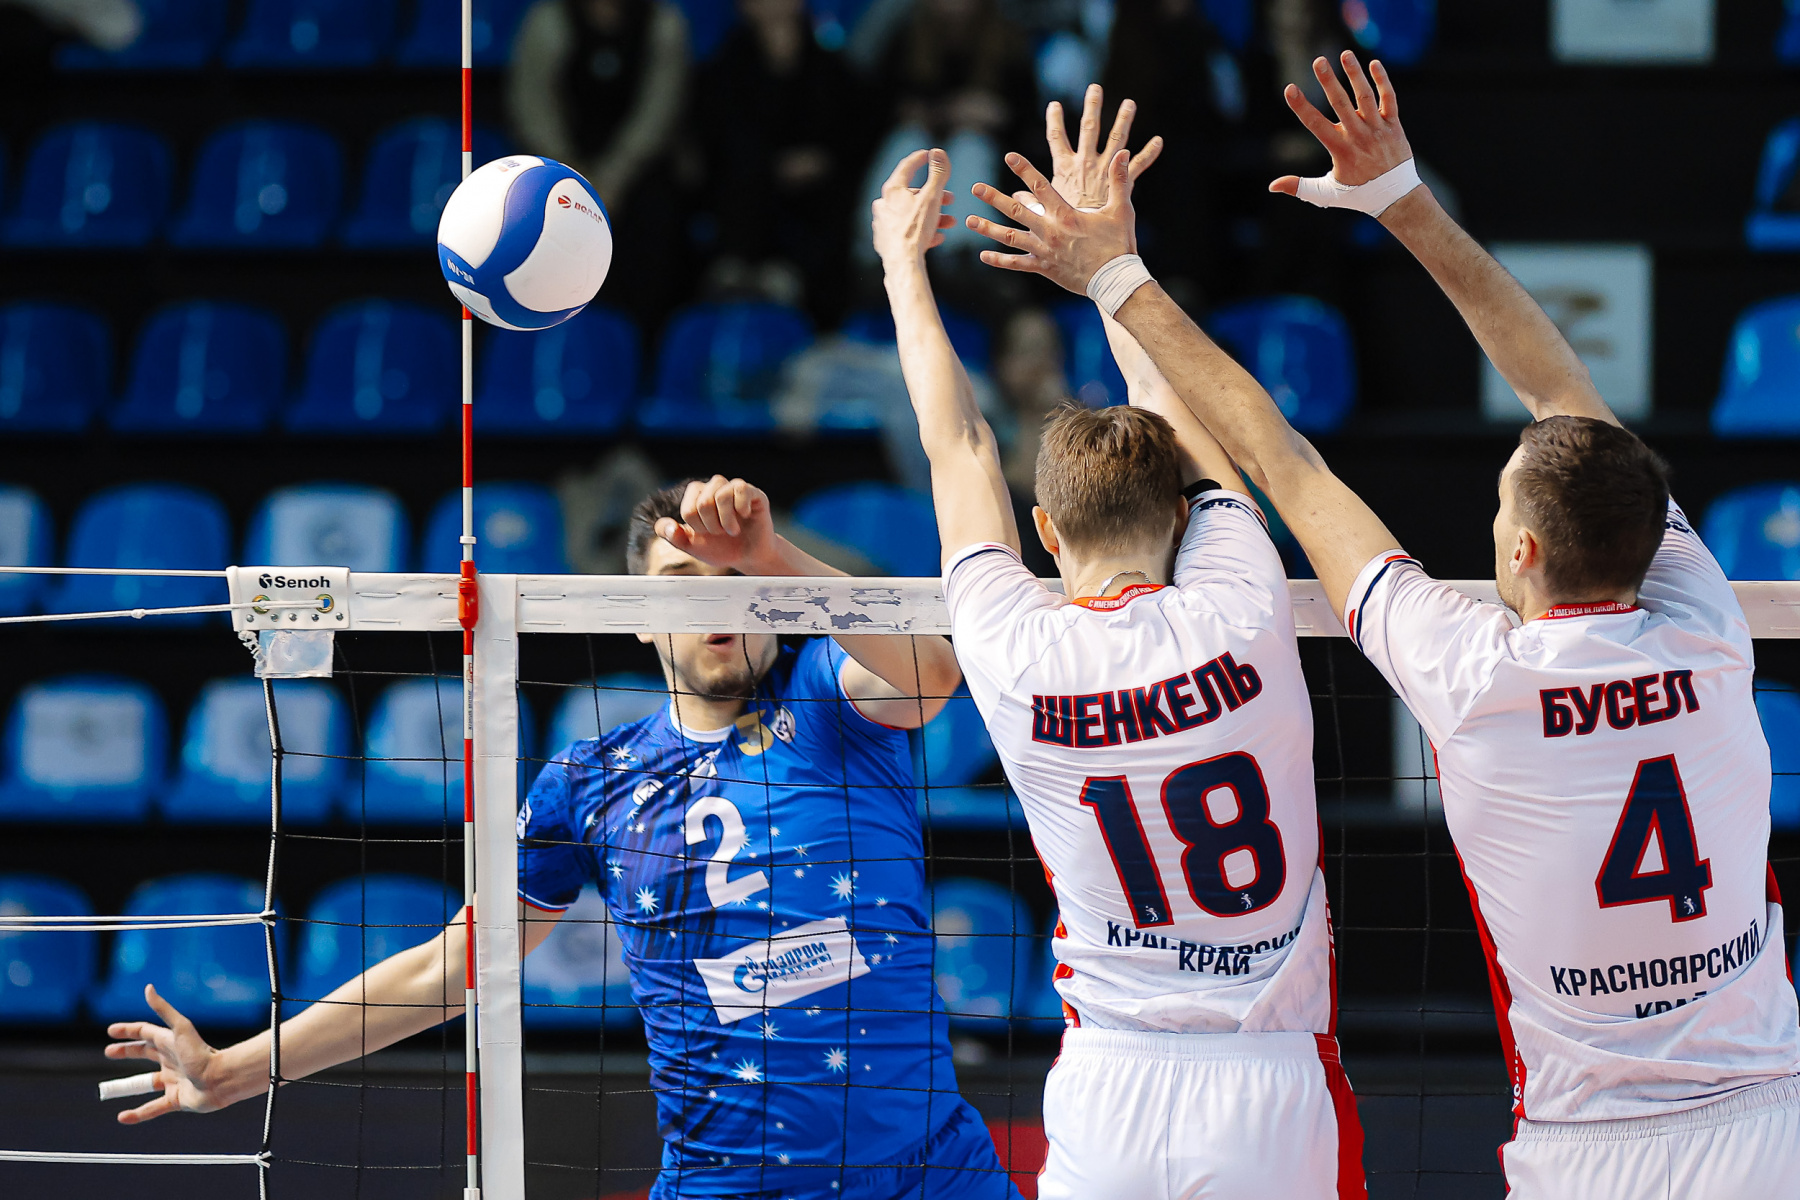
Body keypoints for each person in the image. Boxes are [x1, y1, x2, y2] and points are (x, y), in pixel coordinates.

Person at [965, 50, 1800, 1200]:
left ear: (1521, 553)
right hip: (1769, 1125)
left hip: (1589, 1151)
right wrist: (1405, 199)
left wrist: (1116, 275)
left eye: (1501, 504)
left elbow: (1282, 460)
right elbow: (1563, 396)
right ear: (1649, 532)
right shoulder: (1705, 623)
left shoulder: (1472, 675)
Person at [99, 475, 1024, 1200]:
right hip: (731, 1183)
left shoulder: (829, 695)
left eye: (739, 583)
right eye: (683, 586)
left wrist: (772, 554)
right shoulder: (590, 782)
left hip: (930, 1173)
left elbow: (931, 676)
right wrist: (235, 1071)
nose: (718, 605)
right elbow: (453, 966)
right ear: (637, 622)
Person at [872, 89, 1366, 1199]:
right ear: (1186, 519)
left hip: (1108, 1084)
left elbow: (959, 446)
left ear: (1045, 532)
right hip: (1268, 1081)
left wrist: (903, 266)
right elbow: (1168, 397)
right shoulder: (1240, 600)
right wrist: (1109, 260)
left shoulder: (1013, 647)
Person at [508, 0, 692, 326]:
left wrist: (613, 178)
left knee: (656, 223)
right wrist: (573, 177)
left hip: (639, 173)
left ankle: (643, 338)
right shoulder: (549, 21)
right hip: (561, 173)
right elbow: (532, 107)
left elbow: (659, 112)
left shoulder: (662, 25)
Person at [696, 0, 867, 321]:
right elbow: (721, 135)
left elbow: (849, 136)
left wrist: (819, 159)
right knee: (742, 178)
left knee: (833, 195)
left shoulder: (831, 67)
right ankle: (737, 267)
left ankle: (798, 282)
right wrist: (769, 164)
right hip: (748, 188)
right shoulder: (724, 66)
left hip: (816, 195)